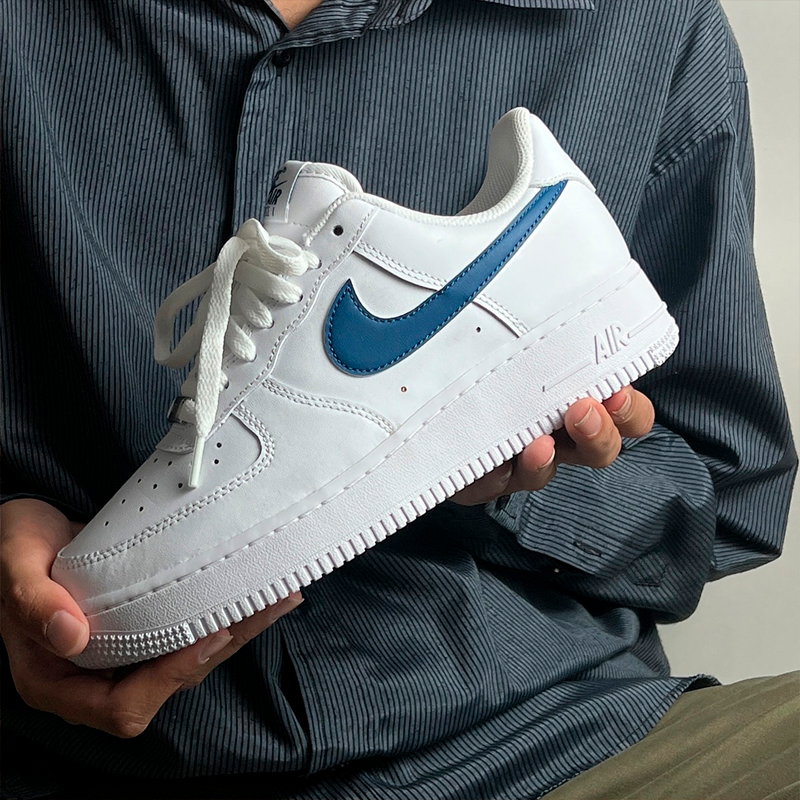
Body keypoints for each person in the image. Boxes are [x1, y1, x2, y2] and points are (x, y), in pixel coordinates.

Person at [1, 1, 797, 798]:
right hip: (90, 768)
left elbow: (732, 503)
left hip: (559, 741)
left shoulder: (649, 24)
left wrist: (487, 465)